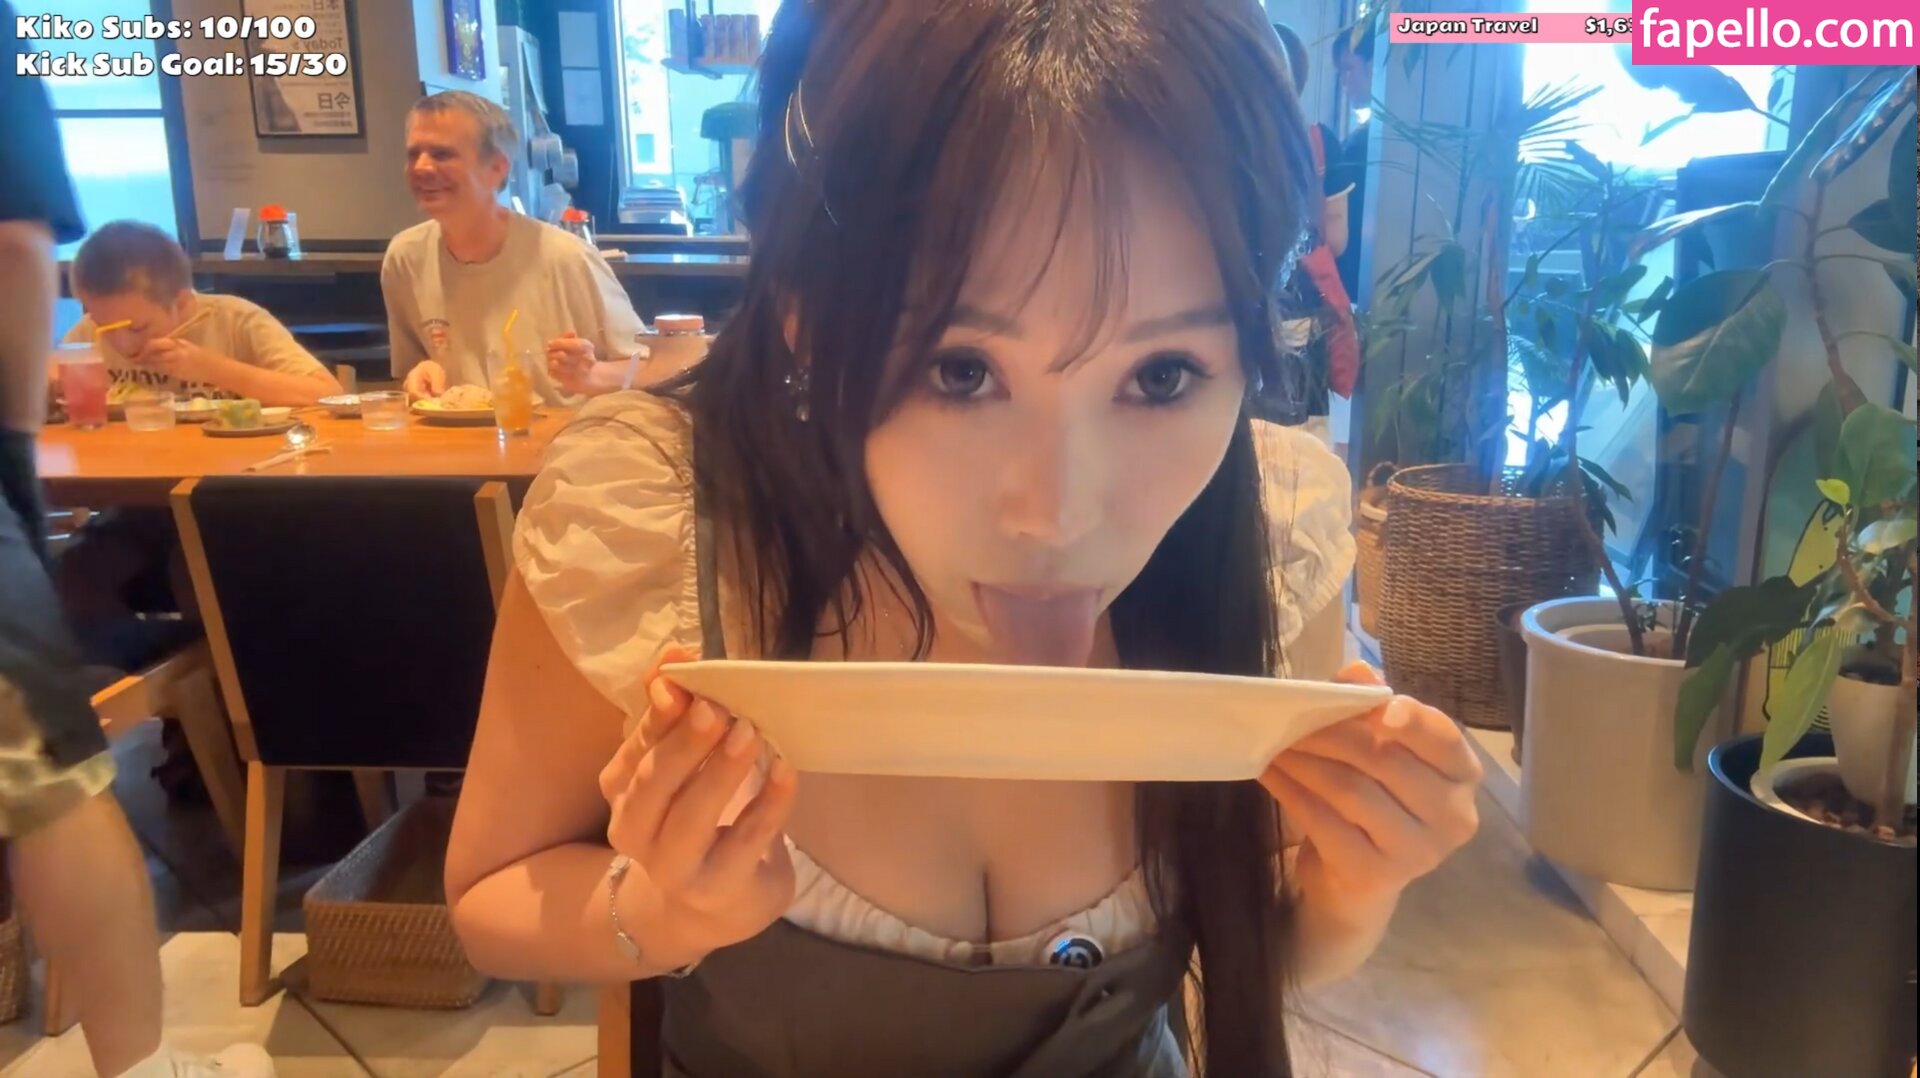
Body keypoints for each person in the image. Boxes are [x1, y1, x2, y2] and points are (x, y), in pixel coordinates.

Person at [446, 2, 1482, 1076]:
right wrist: (665, 912)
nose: (1058, 515)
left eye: (1164, 375)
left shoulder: (1263, 534)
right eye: (962, 370)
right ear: (805, 320)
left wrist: (1358, 881)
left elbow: (1266, 938)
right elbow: (488, 899)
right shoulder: (651, 520)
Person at [1, 8, 274, 1077]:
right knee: (51, 753)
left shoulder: (229, 324)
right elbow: (17, 247)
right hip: (136, 515)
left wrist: (206, 369)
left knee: (206, 573)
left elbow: (317, 394)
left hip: (223, 512)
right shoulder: (81, 342)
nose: (114, 340)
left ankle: (224, 739)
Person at [381, 90, 648, 406]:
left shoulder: (566, 258)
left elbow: (651, 369)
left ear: (497, 168)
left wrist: (594, 374)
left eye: (442, 154)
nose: (421, 167)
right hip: (459, 434)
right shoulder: (405, 258)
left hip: (565, 433)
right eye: (413, 154)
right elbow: (410, 368)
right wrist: (420, 372)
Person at [65, 220, 344, 406]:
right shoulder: (88, 333)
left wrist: (213, 369)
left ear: (181, 302)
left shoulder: (236, 320)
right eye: (104, 327)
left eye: (137, 328)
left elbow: (327, 393)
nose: (123, 345)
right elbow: (52, 382)